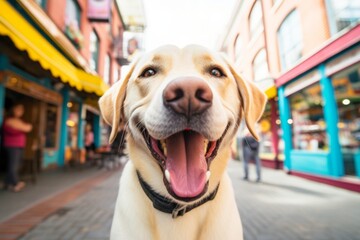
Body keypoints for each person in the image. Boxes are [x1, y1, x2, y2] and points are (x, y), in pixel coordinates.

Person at [2, 103, 32, 192]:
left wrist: (22, 127)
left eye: (21, 110)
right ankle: (15, 183)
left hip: (18, 145)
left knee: (16, 164)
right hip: (12, 145)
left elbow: (28, 128)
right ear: (13, 109)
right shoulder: (10, 120)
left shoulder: (18, 120)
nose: (20, 111)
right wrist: (22, 127)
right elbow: (27, 128)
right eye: (18, 109)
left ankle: (7, 182)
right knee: (13, 165)